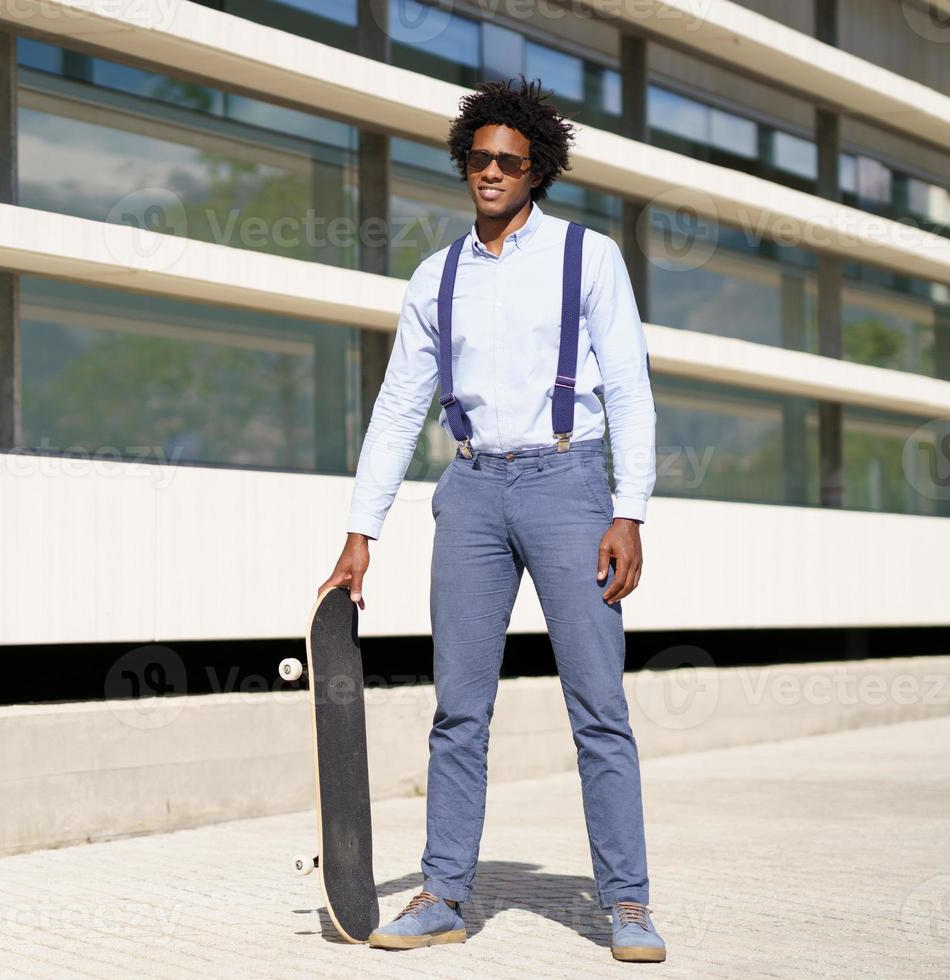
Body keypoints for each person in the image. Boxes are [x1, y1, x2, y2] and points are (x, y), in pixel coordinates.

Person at [320, 76, 665, 964]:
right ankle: (443, 893)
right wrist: (362, 533)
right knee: (458, 711)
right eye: (479, 158)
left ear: (537, 169)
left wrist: (628, 511)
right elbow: (400, 407)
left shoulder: (588, 259)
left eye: (510, 161)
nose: (492, 172)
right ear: (463, 162)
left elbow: (627, 388)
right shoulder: (436, 277)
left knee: (598, 706)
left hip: (568, 484)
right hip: (470, 491)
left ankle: (625, 902)